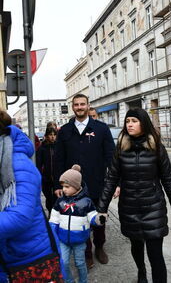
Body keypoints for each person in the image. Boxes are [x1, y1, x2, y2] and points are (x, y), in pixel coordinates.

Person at [96, 107, 171, 283]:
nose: (130, 124)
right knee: (136, 246)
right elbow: (111, 178)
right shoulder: (121, 148)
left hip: (153, 207)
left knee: (156, 255)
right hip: (129, 208)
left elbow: (169, 179)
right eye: (127, 121)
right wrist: (102, 208)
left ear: (143, 123)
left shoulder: (156, 147)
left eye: (134, 121)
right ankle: (141, 271)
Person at [0, 110, 64, 282]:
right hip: (10, 258)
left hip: (31, 259)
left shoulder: (16, 163)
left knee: (52, 206)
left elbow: (19, 217)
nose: (51, 137)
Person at [54, 94, 115, 268]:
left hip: (97, 183)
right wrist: (58, 185)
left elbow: (111, 157)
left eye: (83, 104)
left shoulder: (101, 129)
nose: (80, 107)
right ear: (72, 107)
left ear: (88, 105)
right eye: (76, 105)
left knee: (99, 219)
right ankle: (87, 252)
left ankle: (100, 247)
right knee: (80, 220)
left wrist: (116, 183)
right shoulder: (65, 131)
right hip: (74, 187)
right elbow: (59, 159)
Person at [49, 164, 104, 283]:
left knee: (80, 263)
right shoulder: (60, 202)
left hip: (79, 240)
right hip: (63, 239)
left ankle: (83, 280)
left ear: (76, 186)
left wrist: (99, 219)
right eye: (63, 186)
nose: (64, 189)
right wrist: (52, 231)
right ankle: (69, 280)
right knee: (64, 262)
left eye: (67, 186)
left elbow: (92, 216)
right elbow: (54, 219)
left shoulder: (86, 202)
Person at [36, 126, 58, 216]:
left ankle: (55, 214)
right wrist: (40, 175)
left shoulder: (58, 146)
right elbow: (38, 163)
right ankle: (50, 211)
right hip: (46, 177)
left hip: (57, 177)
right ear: (46, 136)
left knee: (57, 197)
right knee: (49, 197)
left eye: (54, 135)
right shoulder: (42, 148)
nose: (52, 137)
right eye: (50, 135)